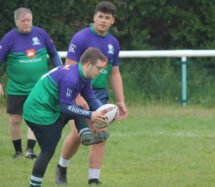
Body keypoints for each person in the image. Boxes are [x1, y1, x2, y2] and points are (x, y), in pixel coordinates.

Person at [55, 1, 127, 185]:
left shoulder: (113, 43)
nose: (103, 20)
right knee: (79, 134)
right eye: (100, 16)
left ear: (113, 21)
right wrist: (77, 96)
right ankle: (62, 167)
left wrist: (121, 101)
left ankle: (93, 179)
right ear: (94, 17)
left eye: (107, 18)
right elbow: (69, 68)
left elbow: (114, 72)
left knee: (101, 134)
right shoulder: (80, 38)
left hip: (99, 94)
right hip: (76, 91)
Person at [23, 47, 110, 187]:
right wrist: (90, 115)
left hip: (50, 108)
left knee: (79, 108)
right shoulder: (71, 78)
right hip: (37, 112)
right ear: (88, 63)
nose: (101, 71)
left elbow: (90, 97)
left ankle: (86, 135)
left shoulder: (83, 75)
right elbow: (66, 107)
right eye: (99, 68)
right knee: (48, 150)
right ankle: (34, 185)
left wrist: (104, 111)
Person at [0, 7, 62, 159]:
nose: (27, 23)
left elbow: (53, 54)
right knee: (15, 119)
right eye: (23, 21)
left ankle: (30, 150)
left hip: (39, 87)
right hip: (16, 87)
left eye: (29, 20)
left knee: (34, 117)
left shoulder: (41, 34)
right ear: (16, 22)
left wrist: (61, 73)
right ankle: (18, 152)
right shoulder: (9, 38)